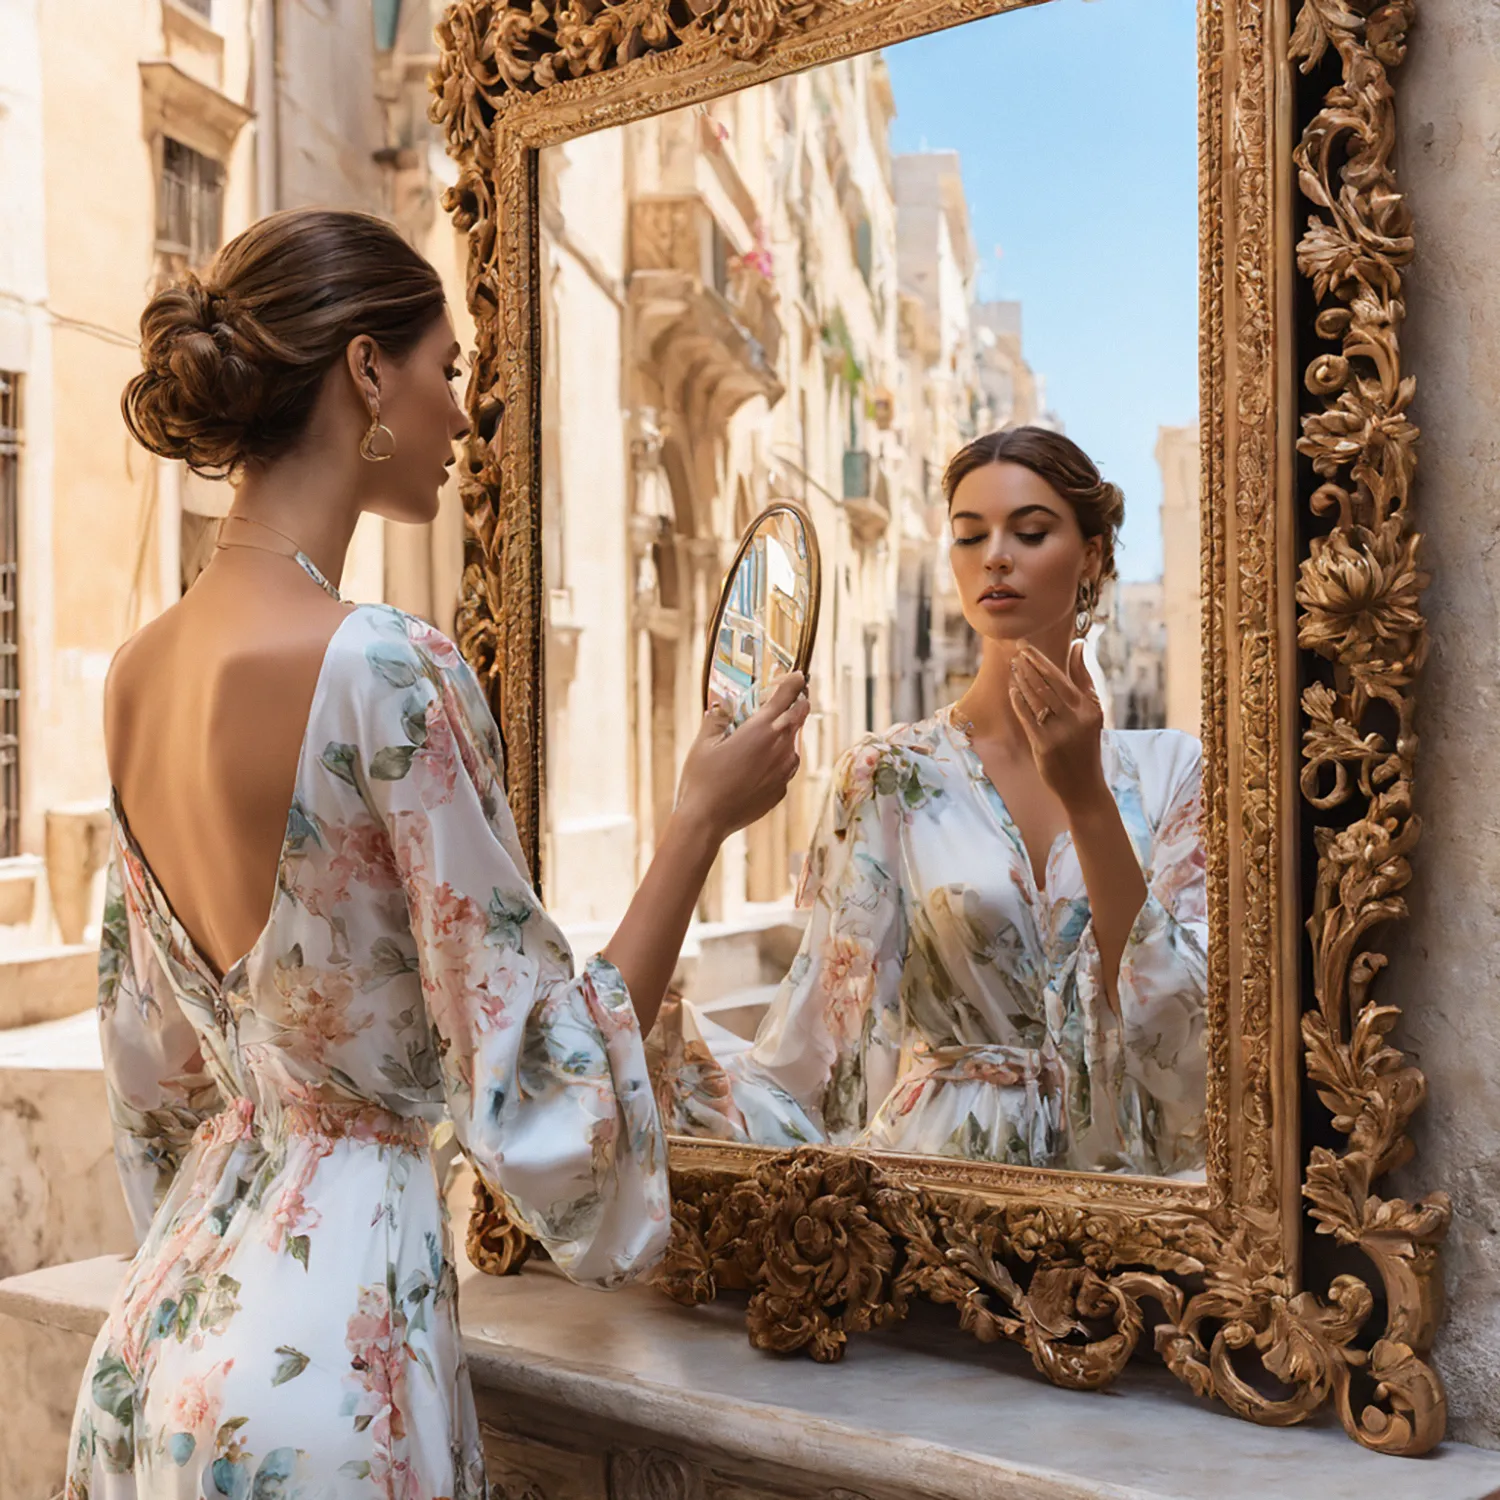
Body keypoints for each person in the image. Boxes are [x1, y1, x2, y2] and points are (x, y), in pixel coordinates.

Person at [67, 208, 807, 1500]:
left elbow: (150, 1075)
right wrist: (697, 820)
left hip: (162, 1341)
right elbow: (535, 1086)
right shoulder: (391, 669)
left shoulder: (134, 678)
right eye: (447, 370)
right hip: (332, 1359)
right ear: (367, 371)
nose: (464, 415)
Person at [656, 427, 1207, 1177]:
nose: (996, 556)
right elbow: (819, 1046)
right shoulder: (886, 776)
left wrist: (1088, 802)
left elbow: (1184, 1031)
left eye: (1032, 531)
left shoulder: (1171, 772)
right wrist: (651, 1056)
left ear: (1094, 557)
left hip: (1119, 1200)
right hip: (940, 1196)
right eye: (968, 536)